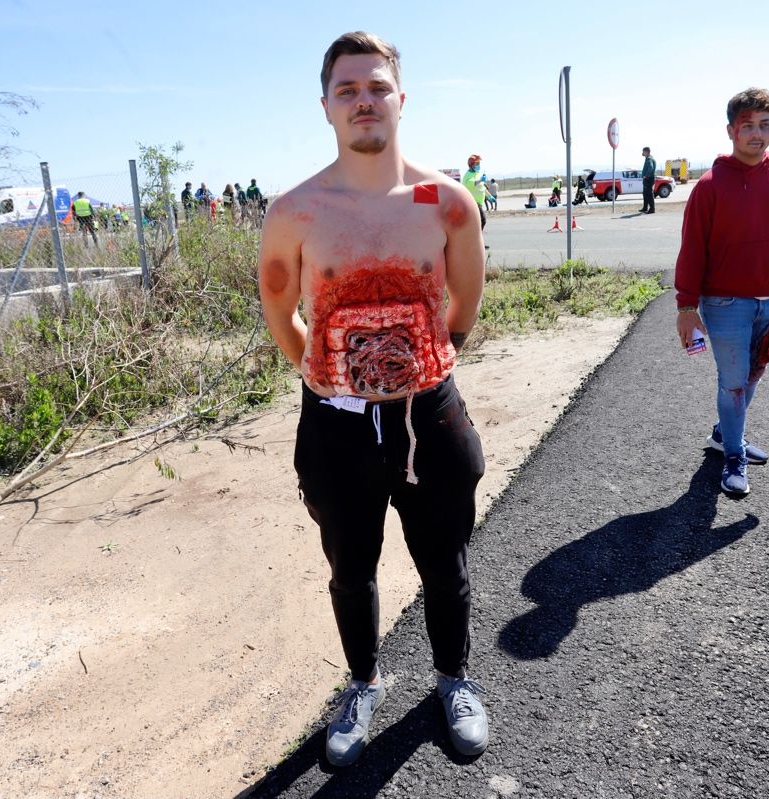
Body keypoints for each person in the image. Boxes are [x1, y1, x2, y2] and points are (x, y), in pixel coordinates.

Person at [257, 30, 489, 768]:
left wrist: (415, 369)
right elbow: (280, 314)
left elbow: (464, 306)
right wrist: (327, 376)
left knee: (445, 563)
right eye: (348, 90)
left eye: (377, 87)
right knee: (350, 570)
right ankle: (362, 683)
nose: (364, 101)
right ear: (326, 105)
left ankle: (453, 680)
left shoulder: (446, 202)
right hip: (337, 433)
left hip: (431, 417)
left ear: (401, 99)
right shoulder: (295, 210)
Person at [673, 87, 769, 496]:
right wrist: (686, 306)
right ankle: (733, 455)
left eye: (766, 126)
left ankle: (726, 434)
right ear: (731, 131)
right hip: (724, 303)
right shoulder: (709, 186)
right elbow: (692, 250)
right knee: (734, 382)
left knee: (753, 375)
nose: (757, 135)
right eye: (748, 127)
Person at [461, 154, 489, 231]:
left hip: (479, 203)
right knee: (482, 220)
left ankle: (476, 239)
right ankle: (477, 240)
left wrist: (489, 196)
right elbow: (470, 184)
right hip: (473, 202)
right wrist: (480, 180)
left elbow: (481, 187)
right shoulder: (468, 175)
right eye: (477, 164)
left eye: (479, 163)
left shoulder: (476, 174)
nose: (479, 165)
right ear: (471, 165)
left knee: (479, 222)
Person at [641, 146, 657, 214]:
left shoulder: (649, 159)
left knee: (649, 194)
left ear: (647, 152)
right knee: (645, 193)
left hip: (649, 178)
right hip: (648, 178)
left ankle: (652, 209)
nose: (642, 153)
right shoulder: (648, 158)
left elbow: (650, 167)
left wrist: (646, 176)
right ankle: (645, 208)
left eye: (643, 151)